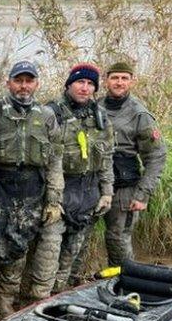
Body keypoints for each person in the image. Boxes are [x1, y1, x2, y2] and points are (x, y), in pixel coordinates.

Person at [0, 61, 63, 318]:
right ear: (9, 83)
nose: (23, 86)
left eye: (29, 81)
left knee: (18, 245)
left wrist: (53, 198)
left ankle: (5, 298)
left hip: (30, 190)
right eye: (19, 80)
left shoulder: (47, 116)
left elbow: (55, 160)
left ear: (37, 84)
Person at [36, 63, 115, 294]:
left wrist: (107, 192)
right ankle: (37, 298)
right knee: (49, 251)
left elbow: (107, 158)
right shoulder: (51, 113)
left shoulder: (101, 118)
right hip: (60, 191)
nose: (85, 88)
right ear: (69, 84)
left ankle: (60, 294)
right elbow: (44, 160)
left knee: (72, 253)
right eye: (80, 82)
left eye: (91, 84)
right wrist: (52, 199)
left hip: (88, 193)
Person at [100, 61, 167, 266]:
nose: (119, 82)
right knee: (79, 238)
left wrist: (142, 194)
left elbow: (156, 156)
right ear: (106, 81)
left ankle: (126, 287)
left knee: (118, 240)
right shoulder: (95, 107)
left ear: (132, 81)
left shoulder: (140, 115)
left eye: (124, 78)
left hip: (125, 187)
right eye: (114, 78)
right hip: (95, 183)